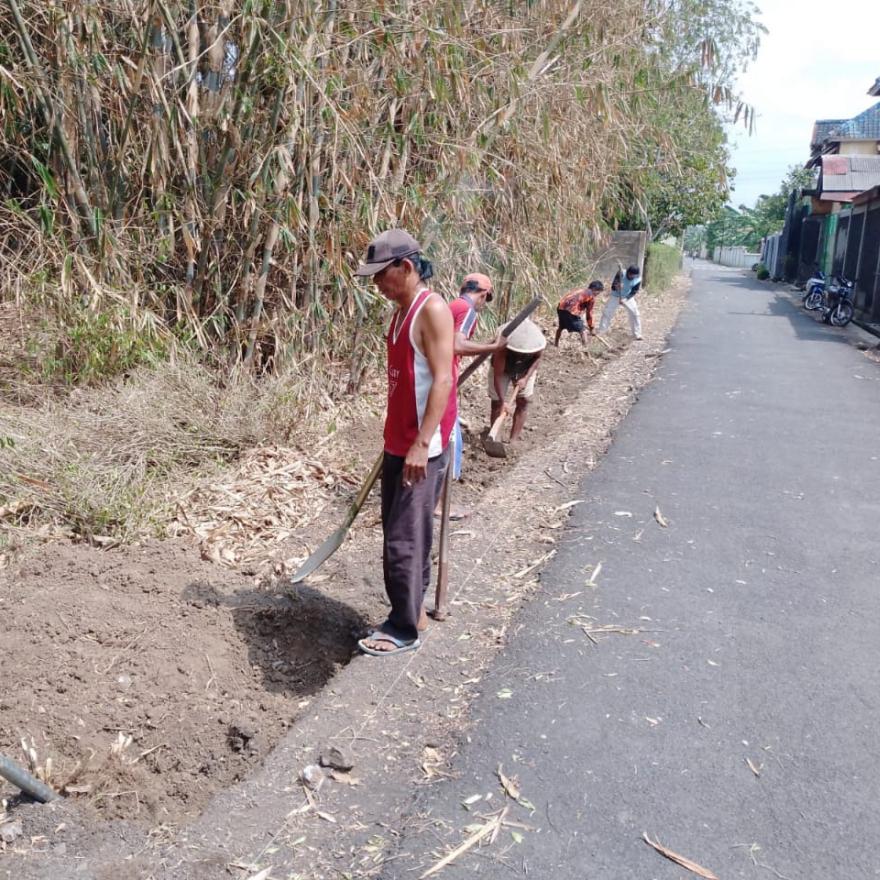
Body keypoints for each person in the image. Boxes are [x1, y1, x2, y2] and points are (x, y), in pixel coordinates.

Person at [354, 229, 456, 657]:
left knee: (404, 540)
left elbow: (443, 379)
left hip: (421, 448)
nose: (377, 284)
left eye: (382, 275)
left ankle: (402, 629)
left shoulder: (430, 309)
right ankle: (414, 613)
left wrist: (421, 443)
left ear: (407, 267)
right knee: (406, 533)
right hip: (399, 442)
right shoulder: (401, 313)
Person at [439, 272, 506, 519]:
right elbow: (457, 345)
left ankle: (435, 501)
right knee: (449, 443)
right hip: (443, 383)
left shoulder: (452, 306)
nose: (484, 304)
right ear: (484, 294)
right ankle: (439, 505)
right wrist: (493, 347)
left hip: (439, 378)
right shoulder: (467, 310)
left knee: (445, 439)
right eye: (486, 299)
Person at [488, 318, 546, 442]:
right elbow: (498, 375)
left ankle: (513, 441)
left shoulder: (537, 345)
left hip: (525, 369)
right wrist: (503, 401)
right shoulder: (503, 348)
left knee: (523, 401)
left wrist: (526, 378)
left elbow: (537, 359)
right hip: (503, 369)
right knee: (496, 403)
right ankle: (495, 439)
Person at [598, 264, 643, 340]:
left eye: (634, 276)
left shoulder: (638, 279)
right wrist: (617, 286)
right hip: (615, 296)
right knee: (607, 313)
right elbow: (613, 286)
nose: (632, 277)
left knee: (635, 314)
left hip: (627, 296)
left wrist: (626, 299)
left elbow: (634, 291)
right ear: (628, 272)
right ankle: (602, 331)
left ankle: (637, 334)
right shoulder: (621, 273)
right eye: (630, 275)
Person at [555, 281, 603, 346]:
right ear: (594, 289)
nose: (597, 294)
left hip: (561, 307)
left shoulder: (580, 290)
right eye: (598, 292)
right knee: (583, 331)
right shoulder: (591, 297)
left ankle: (556, 345)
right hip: (571, 310)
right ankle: (586, 348)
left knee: (561, 327)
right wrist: (591, 328)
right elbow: (589, 313)